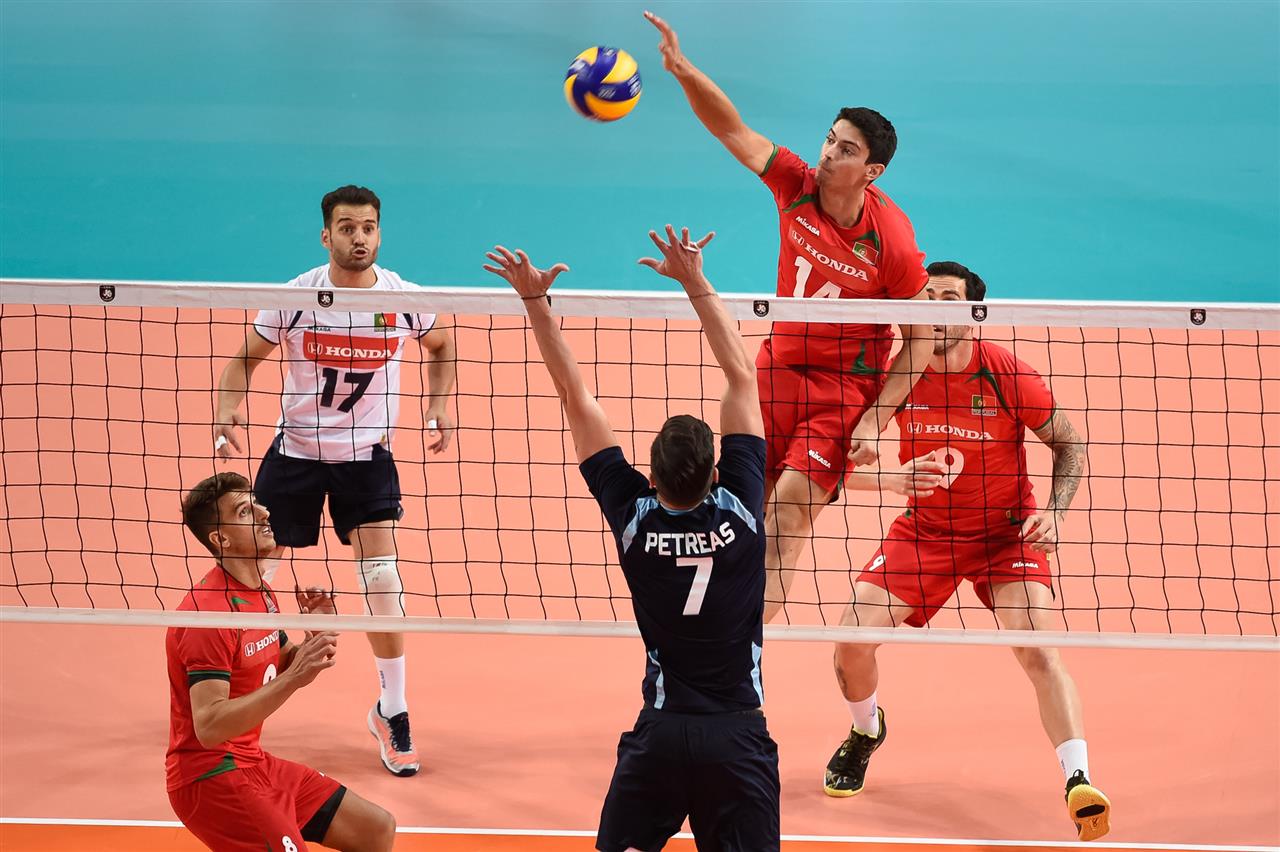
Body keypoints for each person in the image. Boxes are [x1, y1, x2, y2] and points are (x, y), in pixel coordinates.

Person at [483, 226, 780, 851]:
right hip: (736, 737)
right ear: (718, 474)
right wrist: (695, 282)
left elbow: (574, 396)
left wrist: (535, 302)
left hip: (662, 737)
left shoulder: (635, 522)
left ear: (649, 477)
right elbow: (742, 377)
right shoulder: (743, 512)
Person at [644, 11, 935, 623]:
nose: (828, 153)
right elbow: (733, 130)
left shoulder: (892, 242)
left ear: (872, 171)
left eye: (846, 150)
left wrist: (876, 419)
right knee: (731, 517)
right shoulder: (795, 185)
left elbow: (921, 339)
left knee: (787, 517)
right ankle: (705, 635)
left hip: (842, 391)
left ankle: (742, 653)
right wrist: (682, 69)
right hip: (773, 374)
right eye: (830, 139)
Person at [826, 261, 1111, 841]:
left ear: (974, 313)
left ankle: (1078, 779)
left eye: (949, 299)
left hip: (1005, 537)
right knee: (850, 642)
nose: (934, 308)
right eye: (927, 296)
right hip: (926, 532)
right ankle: (866, 730)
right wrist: (887, 477)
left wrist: (1054, 513)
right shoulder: (896, 377)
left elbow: (1069, 444)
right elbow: (831, 469)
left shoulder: (1007, 374)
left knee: (1038, 651)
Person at [213, 185, 457, 777]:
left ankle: (392, 710)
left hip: (366, 457)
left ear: (379, 233)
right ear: (326, 236)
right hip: (295, 451)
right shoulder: (297, 297)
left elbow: (442, 345)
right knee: (251, 573)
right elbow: (244, 359)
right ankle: (233, 699)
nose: (359, 238)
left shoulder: (402, 300)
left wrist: (437, 406)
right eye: (347, 228)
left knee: (382, 578)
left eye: (368, 227)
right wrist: (227, 407)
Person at [167, 471, 396, 851]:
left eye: (256, 503)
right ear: (221, 539)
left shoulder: (261, 594)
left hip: (254, 762)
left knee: (375, 829)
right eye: (244, 512)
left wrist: (316, 636)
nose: (264, 513)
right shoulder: (209, 616)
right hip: (210, 777)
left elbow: (285, 663)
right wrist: (294, 678)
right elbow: (209, 726)